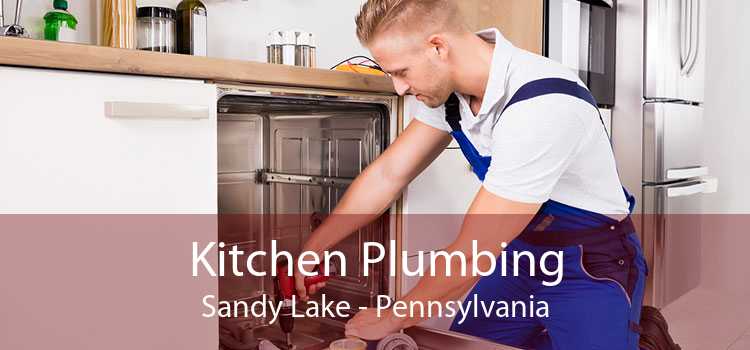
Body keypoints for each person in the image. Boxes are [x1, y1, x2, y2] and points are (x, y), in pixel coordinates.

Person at [294, 0, 647, 349]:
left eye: (402, 72)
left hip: (588, 265)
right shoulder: (451, 95)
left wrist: (393, 317)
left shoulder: (543, 103)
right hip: (520, 254)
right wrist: (315, 247)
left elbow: (475, 251)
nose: (399, 88)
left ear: (438, 47)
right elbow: (388, 174)